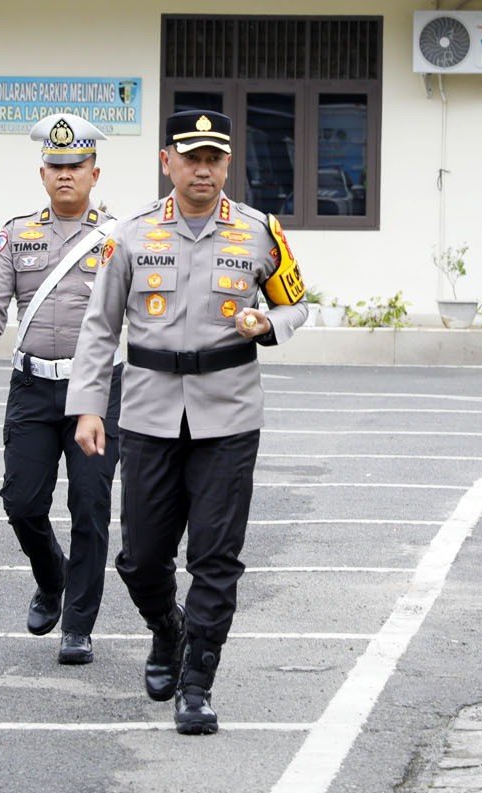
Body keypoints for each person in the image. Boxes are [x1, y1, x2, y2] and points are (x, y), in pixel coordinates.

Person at [66, 110, 310, 735]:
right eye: (191, 157)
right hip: (147, 412)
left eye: (215, 159)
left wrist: (270, 325)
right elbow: (100, 327)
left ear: (228, 165)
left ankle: (197, 683)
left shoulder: (261, 231)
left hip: (228, 413)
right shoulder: (130, 234)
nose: (203, 170)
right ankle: (167, 629)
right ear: (166, 161)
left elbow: (298, 304)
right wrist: (89, 406)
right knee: (140, 559)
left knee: (216, 557)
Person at [0, 114, 119, 665]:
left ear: (95, 172)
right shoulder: (16, 235)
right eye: (56, 166)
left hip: (93, 390)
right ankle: (52, 580)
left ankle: (79, 626)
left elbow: (145, 312)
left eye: (77, 166)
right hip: (31, 386)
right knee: (22, 502)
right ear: (42, 172)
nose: (66, 175)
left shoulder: (118, 238)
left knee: (90, 504)